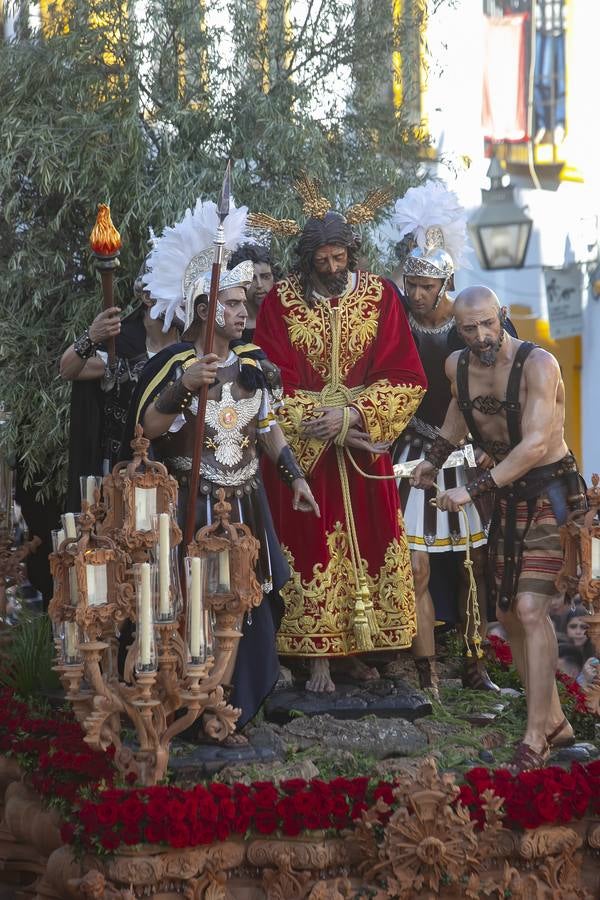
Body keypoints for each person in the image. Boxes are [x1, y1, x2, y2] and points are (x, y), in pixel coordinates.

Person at [124, 198, 319, 729]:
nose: (244, 311)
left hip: (247, 503)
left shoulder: (253, 364)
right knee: (197, 604)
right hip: (194, 503)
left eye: (242, 302)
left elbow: (267, 427)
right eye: (232, 303)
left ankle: (235, 699)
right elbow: (146, 432)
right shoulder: (174, 364)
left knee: (248, 605)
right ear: (207, 308)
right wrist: (180, 390)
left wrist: (294, 476)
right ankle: (195, 703)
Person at [251, 178, 427, 694]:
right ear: (307, 260)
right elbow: (266, 379)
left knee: (367, 544)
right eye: (322, 260)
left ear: (352, 252)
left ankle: (356, 650)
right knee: (308, 545)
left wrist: (352, 417)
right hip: (302, 454)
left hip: (363, 450)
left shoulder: (380, 297)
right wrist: (320, 422)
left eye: (339, 257)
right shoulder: (279, 303)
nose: (332, 269)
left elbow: (407, 376)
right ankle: (312, 657)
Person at [411, 285, 587, 770]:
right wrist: (432, 460)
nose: (482, 335)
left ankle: (535, 737)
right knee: (508, 613)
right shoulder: (457, 366)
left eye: (489, 323)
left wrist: (473, 488)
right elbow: (457, 417)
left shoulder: (539, 365)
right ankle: (555, 720)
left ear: (502, 316)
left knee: (531, 609)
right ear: (458, 330)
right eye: (470, 328)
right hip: (508, 496)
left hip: (551, 491)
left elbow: (532, 446)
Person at [390, 181, 497, 696]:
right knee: (416, 562)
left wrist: (489, 441)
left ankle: (476, 664)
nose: (415, 293)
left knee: (475, 561)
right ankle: (425, 673)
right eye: (410, 283)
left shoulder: (471, 322)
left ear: (445, 282)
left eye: (425, 285)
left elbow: (499, 381)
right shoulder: (395, 322)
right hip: (414, 451)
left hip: (467, 451)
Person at [60, 266, 182, 509]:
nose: (185, 298)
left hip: (179, 472)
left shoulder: (193, 347)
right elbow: (68, 369)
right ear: (148, 296)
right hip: (123, 470)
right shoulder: (120, 346)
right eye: (177, 289)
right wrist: (92, 337)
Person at [227, 243, 277, 342]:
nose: (259, 285)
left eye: (266, 277)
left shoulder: (286, 318)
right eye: (252, 278)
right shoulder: (230, 326)